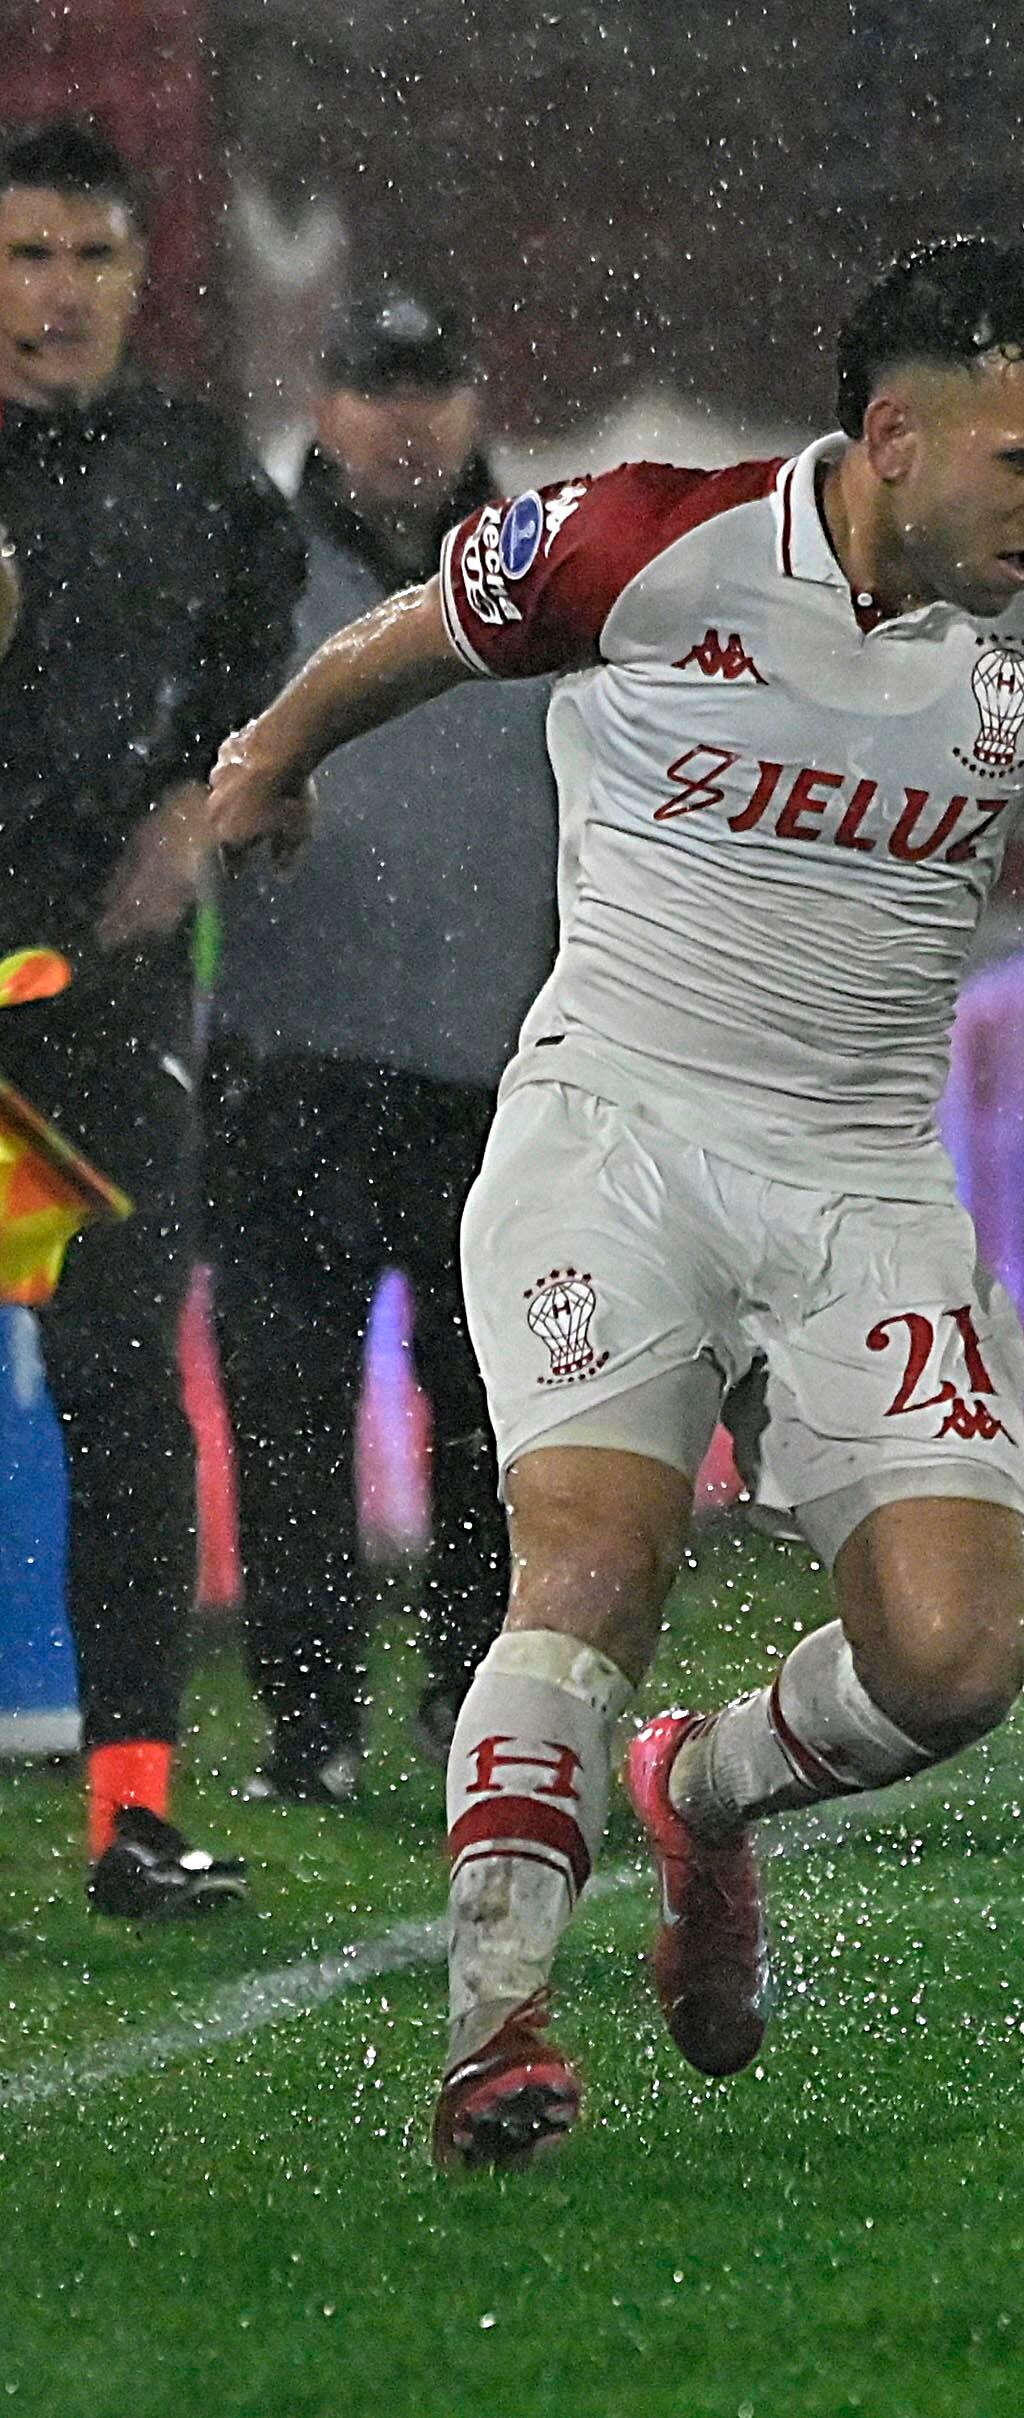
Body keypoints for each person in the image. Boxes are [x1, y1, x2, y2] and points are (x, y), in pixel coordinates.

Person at [204, 236, 1024, 2172]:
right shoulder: (645, 545)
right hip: (610, 1143)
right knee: (592, 1564)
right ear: (895, 437)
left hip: (862, 1183)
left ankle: (703, 1794)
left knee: (958, 1661)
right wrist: (269, 755)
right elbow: (417, 632)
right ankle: (498, 2031)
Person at [0, 120, 306, 1916]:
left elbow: (278, 701)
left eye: (87, 258)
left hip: (100, 1021)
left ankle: (130, 1810)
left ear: (136, 272)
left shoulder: (194, 469)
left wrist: (213, 803)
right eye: (26, 255)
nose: (57, 294)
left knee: (122, 1391)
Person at [206, 291, 553, 1806]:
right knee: (289, 1409)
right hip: (289, 1054)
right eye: (374, 385)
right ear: (322, 399)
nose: (405, 417)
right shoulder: (244, 570)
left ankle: (476, 1695)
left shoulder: (553, 577)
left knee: (503, 1414)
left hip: (503, 1061)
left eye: (432, 382)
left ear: (475, 398)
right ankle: (307, 1727)